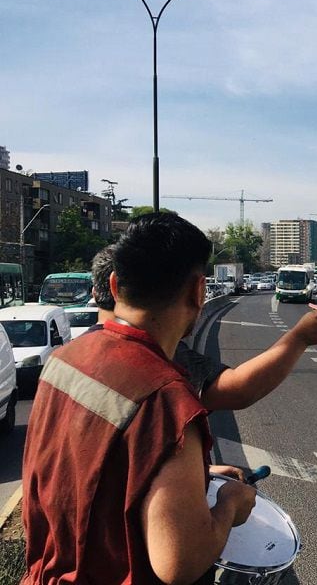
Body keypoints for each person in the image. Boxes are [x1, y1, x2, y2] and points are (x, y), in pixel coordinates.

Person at [21, 214, 253, 583]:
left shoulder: (66, 358)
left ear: (113, 285)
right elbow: (179, 563)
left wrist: (194, 475)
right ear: (198, 291)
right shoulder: (166, 401)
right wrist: (229, 506)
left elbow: (87, 463)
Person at [91, 244, 317, 410]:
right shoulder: (155, 357)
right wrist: (300, 337)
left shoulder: (65, 359)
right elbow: (236, 390)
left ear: (98, 291)